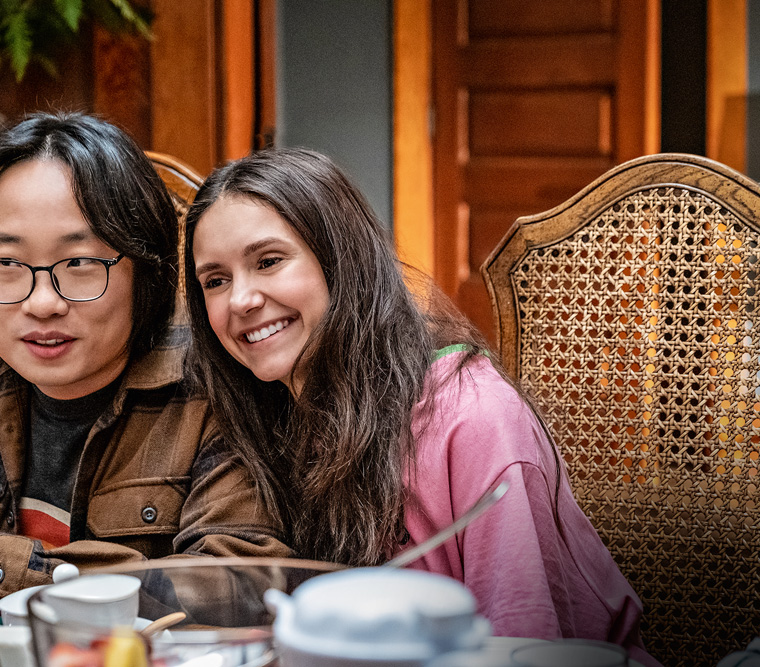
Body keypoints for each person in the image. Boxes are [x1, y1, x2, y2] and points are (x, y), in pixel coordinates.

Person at [183, 147, 661, 665]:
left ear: (341, 261)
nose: (240, 300)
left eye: (268, 261)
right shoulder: (260, 415)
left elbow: (524, 638)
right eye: (215, 280)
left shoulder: (472, 416)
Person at [0, 113, 291, 609]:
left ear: (147, 266)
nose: (43, 302)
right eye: (7, 264)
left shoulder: (213, 389)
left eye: (80, 263)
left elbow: (236, 588)